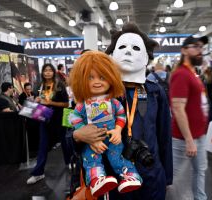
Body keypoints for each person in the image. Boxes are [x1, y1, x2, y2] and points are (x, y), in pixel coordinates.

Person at [72, 23, 172, 200]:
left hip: (150, 175)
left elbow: (164, 136)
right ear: (112, 54)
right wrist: (78, 135)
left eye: (135, 48)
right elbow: (69, 129)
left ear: (146, 56)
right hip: (112, 180)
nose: (128, 52)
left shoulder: (155, 92)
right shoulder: (93, 91)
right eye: (122, 47)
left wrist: (167, 176)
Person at [69, 51, 142, 197]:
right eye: (90, 77)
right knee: (92, 158)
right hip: (91, 145)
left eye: (102, 77)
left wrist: (117, 130)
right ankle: (96, 179)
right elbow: (72, 120)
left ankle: (129, 175)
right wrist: (80, 134)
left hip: (113, 139)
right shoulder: (78, 104)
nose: (97, 82)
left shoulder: (116, 101)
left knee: (118, 157)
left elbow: (121, 115)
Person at [169, 35, 209, 200]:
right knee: (171, 177)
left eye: (201, 47)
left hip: (199, 135)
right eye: (195, 46)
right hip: (184, 138)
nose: (200, 50)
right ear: (184, 50)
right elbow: (178, 108)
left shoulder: (193, 74)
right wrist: (189, 139)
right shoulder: (181, 74)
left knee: (200, 171)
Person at [26, 63, 70, 184]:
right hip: (44, 118)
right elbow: (38, 101)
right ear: (42, 72)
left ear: (54, 72)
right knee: (43, 145)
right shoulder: (39, 85)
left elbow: (66, 104)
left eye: (50, 70)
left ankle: (69, 162)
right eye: (45, 70)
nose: (48, 72)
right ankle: (38, 172)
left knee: (64, 142)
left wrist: (50, 102)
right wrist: (36, 101)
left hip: (58, 118)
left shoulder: (59, 85)